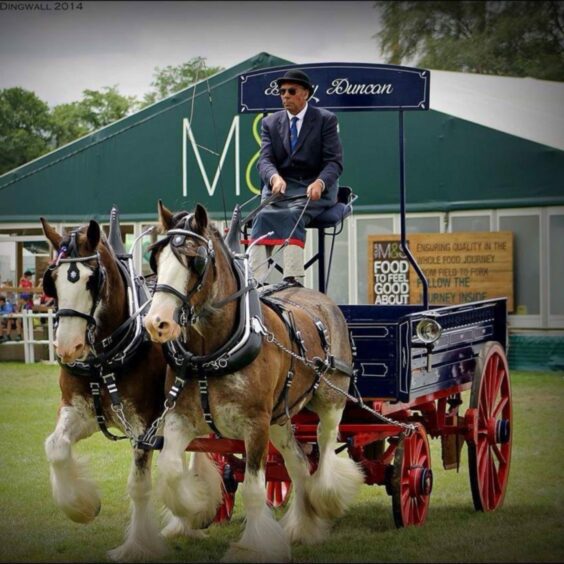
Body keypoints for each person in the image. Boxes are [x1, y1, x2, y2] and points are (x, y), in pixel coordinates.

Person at [249, 69, 343, 286]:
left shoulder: (325, 120)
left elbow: (334, 162)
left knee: (294, 213)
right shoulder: (270, 123)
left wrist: (320, 182)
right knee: (261, 217)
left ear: (306, 94)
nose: (285, 96)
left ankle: (293, 278)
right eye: (282, 91)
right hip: (282, 187)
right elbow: (264, 161)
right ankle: (255, 280)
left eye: (292, 91)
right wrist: (274, 178)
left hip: (314, 187)